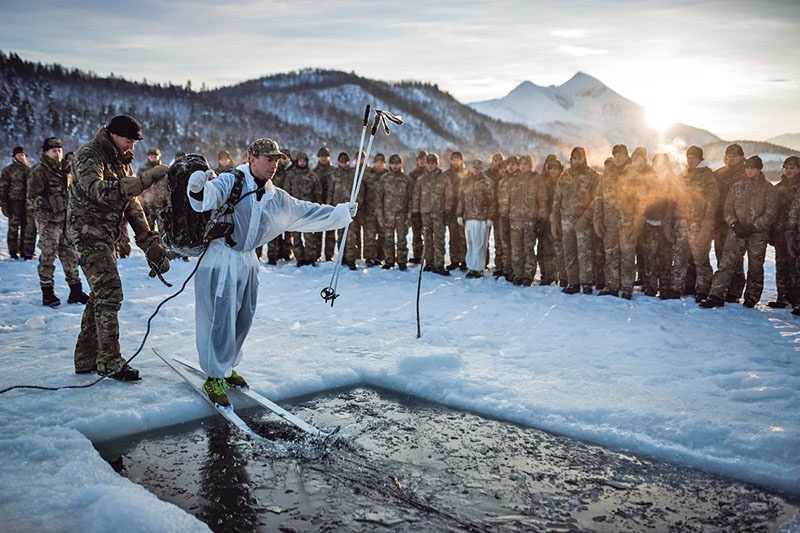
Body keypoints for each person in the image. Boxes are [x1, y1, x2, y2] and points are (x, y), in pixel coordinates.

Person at [186, 138, 357, 406]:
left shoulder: (274, 195)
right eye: (269, 159)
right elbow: (206, 198)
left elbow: (305, 212)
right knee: (219, 317)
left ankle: (227, 367)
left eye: (277, 160)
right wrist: (196, 189)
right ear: (252, 159)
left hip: (247, 260)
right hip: (221, 258)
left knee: (244, 315)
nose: (274, 165)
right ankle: (214, 374)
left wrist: (340, 213)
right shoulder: (231, 181)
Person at [68, 114, 170, 381]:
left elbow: (132, 205)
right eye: (128, 141)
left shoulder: (121, 161)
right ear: (113, 134)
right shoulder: (88, 155)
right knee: (110, 292)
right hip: (87, 234)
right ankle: (110, 361)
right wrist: (144, 181)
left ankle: (85, 358)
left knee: (100, 295)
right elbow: (98, 190)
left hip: (107, 236)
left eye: (135, 143)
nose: (132, 147)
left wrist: (149, 242)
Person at [700, 156, 777, 308]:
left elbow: (771, 213)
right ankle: (716, 294)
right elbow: (727, 210)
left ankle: (751, 297)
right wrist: (734, 225)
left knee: (755, 266)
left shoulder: (769, 189)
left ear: (759, 169)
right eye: (747, 168)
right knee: (726, 263)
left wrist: (754, 227)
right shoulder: (736, 187)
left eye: (752, 168)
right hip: (736, 232)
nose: (749, 171)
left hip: (757, 234)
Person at [27, 137, 88, 307]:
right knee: (48, 255)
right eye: (54, 151)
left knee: (70, 255)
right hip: (48, 221)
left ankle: (75, 290)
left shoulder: (67, 169)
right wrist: (49, 205)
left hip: (66, 220)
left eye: (59, 150)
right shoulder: (39, 171)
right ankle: (48, 292)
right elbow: (32, 197)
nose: (57, 154)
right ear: (46, 152)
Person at [551, 147, 599, 294]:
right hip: (566, 221)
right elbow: (557, 199)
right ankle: (573, 282)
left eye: (580, 158)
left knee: (584, 253)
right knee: (569, 252)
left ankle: (586, 283)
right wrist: (555, 220)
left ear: (584, 158)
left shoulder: (592, 176)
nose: (577, 161)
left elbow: (596, 199)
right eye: (574, 158)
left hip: (583, 221)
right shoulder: (565, 176)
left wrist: (586, 218)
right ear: (571, 159)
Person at [713, 143, 747, 302]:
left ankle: (735, 290)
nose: (730, 158)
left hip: (738, 222)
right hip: (720, 221)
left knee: (736, 257)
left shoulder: (747, 173)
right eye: (728, 155)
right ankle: (723, 287)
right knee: (720, 255)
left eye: (734, 155)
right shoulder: (719, 173)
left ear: (741, 156)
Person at [411, 153, 453, 275]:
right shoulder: (421, 178)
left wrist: (448, 210)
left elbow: (449, 196)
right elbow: (416, 196)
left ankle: (439, 264)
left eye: (433, 163)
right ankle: (429, 263)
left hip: (439, 213)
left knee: (439, 239)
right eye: (428, 163)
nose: (430, 166)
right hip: (425, 213)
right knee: (427, 239)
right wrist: (415, 212)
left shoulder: (443, 178)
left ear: (437, 164)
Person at [768, 156, 800, 308]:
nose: (788, 171)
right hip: (780, 233)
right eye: (786, 168)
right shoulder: (778, 188)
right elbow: (772, 210)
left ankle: (797, 298)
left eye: (792, 168)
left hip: (796, 234)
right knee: (781, 266)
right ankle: (783, 296)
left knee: (796, 267)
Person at [283, 152, 324, 266]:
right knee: (296, 236)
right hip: (294, 210)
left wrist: (317, 208)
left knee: (309, 235)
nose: (302, 162)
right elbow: (286, 192)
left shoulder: (312, 176)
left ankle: (310, 257)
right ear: (297, 161)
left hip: (308, 210)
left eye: (304, 160)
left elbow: (318, 193)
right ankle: (299, 258)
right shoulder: (291, 176)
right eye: (300, 160)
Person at [457, 159, 496, 278]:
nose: (476, 170)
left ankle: (479, 268)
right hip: (469, 217)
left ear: (481, 168)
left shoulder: (487, 182)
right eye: (474, 167)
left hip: (481, 218)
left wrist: (490, 217)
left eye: (478, 168)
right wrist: (459, 214)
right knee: (470, 244)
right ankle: (471, 267)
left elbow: (492, 201)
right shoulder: (465, 181)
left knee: (480, 244)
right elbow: (461, 200)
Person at [328, 151, 364, 269]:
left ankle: (351, 259)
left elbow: (360, 190)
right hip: (338, 209)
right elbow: (330, 191)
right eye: (341, 162)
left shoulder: (354, 173)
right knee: (340, 235)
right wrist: (330, 207)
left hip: (350, 209)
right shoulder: (334, 174)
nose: (343, 164)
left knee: (351, 236)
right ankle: (342, 257)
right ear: (338, 162)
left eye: (345, 162)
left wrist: (358, 204)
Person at [378, 154, 414, 270]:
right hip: (388, 214)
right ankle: (389, 261)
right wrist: (380, 215)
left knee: (402, 239)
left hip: (402, 215)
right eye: (393, 163)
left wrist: (409, 216)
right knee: (388, 239)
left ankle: (402, 261)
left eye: (397, 163)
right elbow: (379, 199)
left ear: (401, 164)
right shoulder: (384, 179)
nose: (395, 166)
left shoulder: (406, 179)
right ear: (390, 164)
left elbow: (411, 199)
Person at [0, 146, 36, 260]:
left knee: (27, 227)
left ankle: (25, 251)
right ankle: (13, 251)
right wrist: (4, 204)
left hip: (28, 203)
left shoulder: (31, 170)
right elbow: (2, 189)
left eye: (23, 155)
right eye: (19, 155)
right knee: (13, 227)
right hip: (13, 203)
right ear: (14, 156)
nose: (21, 157)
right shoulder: (8, 170)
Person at [443, 151, 468, 271]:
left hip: (464, 211)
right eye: (454, 159)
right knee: (453, 237)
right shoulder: (446, 174)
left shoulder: (467, 174)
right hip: (451, 210)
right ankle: (454, 260)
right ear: (451, 161)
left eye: (458, 159)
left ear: (462, 160)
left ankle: (464, 260)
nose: (456, 161)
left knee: (463, 237)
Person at [136, 147, 170, 233]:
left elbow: (169, 186)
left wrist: (169, 202)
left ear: (159, 156)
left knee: (163, 228)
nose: (153, 158)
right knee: (148, 228)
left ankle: (162, 245)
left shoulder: (165, 169)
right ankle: (151, 246)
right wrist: (140, 202)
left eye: (155, 156)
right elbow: (138, 185)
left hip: (161, 202)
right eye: (151, 156)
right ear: (148, 157)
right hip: (148, 203)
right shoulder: (143, 169)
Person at [362, 153, 387, 266]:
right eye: (377, 162)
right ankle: (370, 257)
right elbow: (362, 193)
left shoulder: (388, 176)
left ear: (384, 164)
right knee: (370, 235)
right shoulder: (367, 175)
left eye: (381, 163)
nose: (378, 165)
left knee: (383, 235)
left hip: (384, 212)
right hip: (370, 210)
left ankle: (381, 256)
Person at [315, 147, 337, 261]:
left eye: (326, 156)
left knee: (330, 232)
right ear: (319, 157)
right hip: (318, 205)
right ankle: (316, 255)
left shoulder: (334, 171)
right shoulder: (314, 172)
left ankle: (329, 255)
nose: (324, 158)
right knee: (317, 231)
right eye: (322, 156)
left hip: (331, 205)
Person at [407, 150, 428, 264]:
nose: (422, 161)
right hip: (416, 209)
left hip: (428, 208)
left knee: (428, 234)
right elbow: (409, 193)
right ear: (417, 161)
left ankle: (429, 256)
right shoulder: (412, 175)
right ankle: (417, 256)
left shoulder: (430, 173)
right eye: (421, 159)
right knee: (416, 234)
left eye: (424, 159)